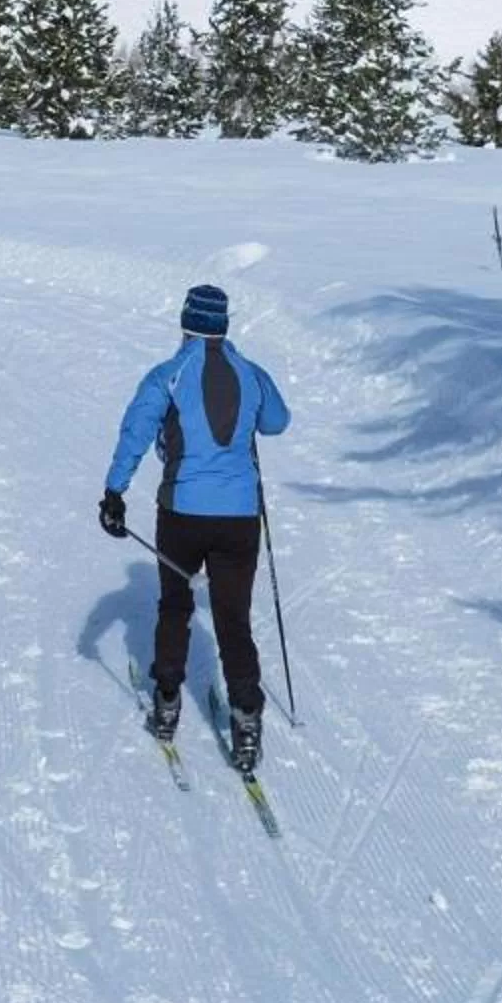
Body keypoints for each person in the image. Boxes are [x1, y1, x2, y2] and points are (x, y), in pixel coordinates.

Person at [99, 283, 290, 774]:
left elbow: (136, 430)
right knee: (233, 621)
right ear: (223, 325)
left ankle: (166, 703)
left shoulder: (168, 374)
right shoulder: (249, 373)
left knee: (176, 606)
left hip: (182, 513)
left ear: (184, 323)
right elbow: (277, 422)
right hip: (240, 518)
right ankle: (246, 722)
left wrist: (115, 493)